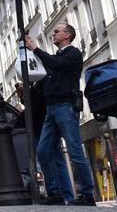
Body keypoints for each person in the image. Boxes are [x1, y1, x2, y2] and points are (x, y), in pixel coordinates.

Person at [25, 24, 96, 206]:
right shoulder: (56, 57)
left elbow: (56, 65)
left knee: (75, 151)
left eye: (57, 31)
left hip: (66, 107)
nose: (53, 34)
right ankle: (55, 193)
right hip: (51, 109)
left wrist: (35, 48)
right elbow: (45, 79)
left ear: (67, 35)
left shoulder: (73, 53)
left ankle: (88, 195)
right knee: (43, 151)